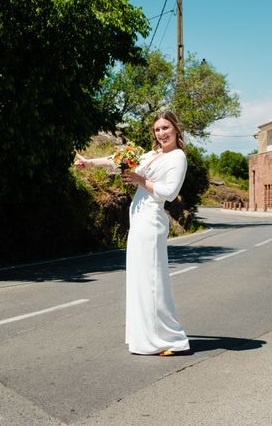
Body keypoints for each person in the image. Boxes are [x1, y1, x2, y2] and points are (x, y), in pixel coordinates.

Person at [75, 111, 190, 356]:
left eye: (166, 128)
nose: (161, 133)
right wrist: (89, 163)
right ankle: (146, 336)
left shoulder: (178, 157)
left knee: (152, 281)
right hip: (138, 220)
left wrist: (140, 180)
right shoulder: (153, 154)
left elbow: (169, 192)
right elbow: (116, 159)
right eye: (157, 129)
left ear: (176, 129)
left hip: (151, 221)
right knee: (139, 279)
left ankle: (170, 339)